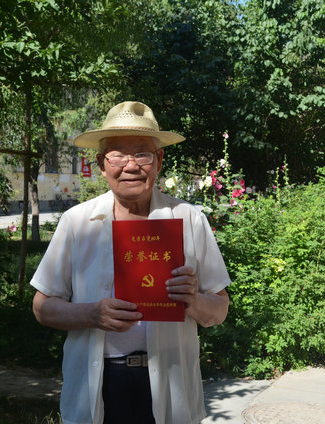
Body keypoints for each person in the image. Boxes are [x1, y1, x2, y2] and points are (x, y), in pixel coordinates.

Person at [31, 101, 231, 424]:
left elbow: (219, 309)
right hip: (98, 385)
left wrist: (193, 300)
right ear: (101, 164)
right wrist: (91, 314)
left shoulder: (188, 220)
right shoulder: (77, 223)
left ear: (159, 160)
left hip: (170, 385)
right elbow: (42, 307)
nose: (131, 165)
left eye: (142, 154)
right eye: (117, 155)